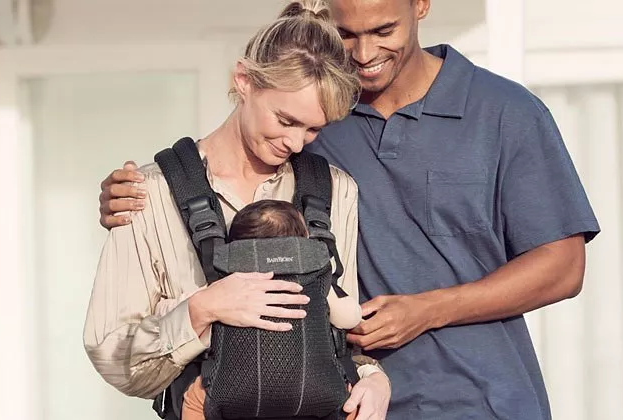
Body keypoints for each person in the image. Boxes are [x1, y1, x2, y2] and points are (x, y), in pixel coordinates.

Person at [97, 0, 601, 419]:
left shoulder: (506, 112)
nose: (363, 54)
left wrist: (427, 310)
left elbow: (563, 267)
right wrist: (138, 190)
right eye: (346, 34)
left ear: (421, 5)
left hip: (483, 399)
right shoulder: (321, 113)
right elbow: (240, 154)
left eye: (384, 29)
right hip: (344, 401)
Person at [83, 2, 391, 420]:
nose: (296, 144)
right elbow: (114, 356)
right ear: (244, 80)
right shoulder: (148, 194)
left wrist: (374, 378)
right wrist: (203, 309)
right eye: (285, 120)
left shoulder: (335, 189)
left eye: (313, 128)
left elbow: (337, 326)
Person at [160, 199, 363, 420]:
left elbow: (205, 332)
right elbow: (350, 318)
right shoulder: (315, 274)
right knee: (350, 403)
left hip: (231, 388)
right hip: (316, 386)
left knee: (196, 399)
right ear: (303, 238)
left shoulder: (227, 281)